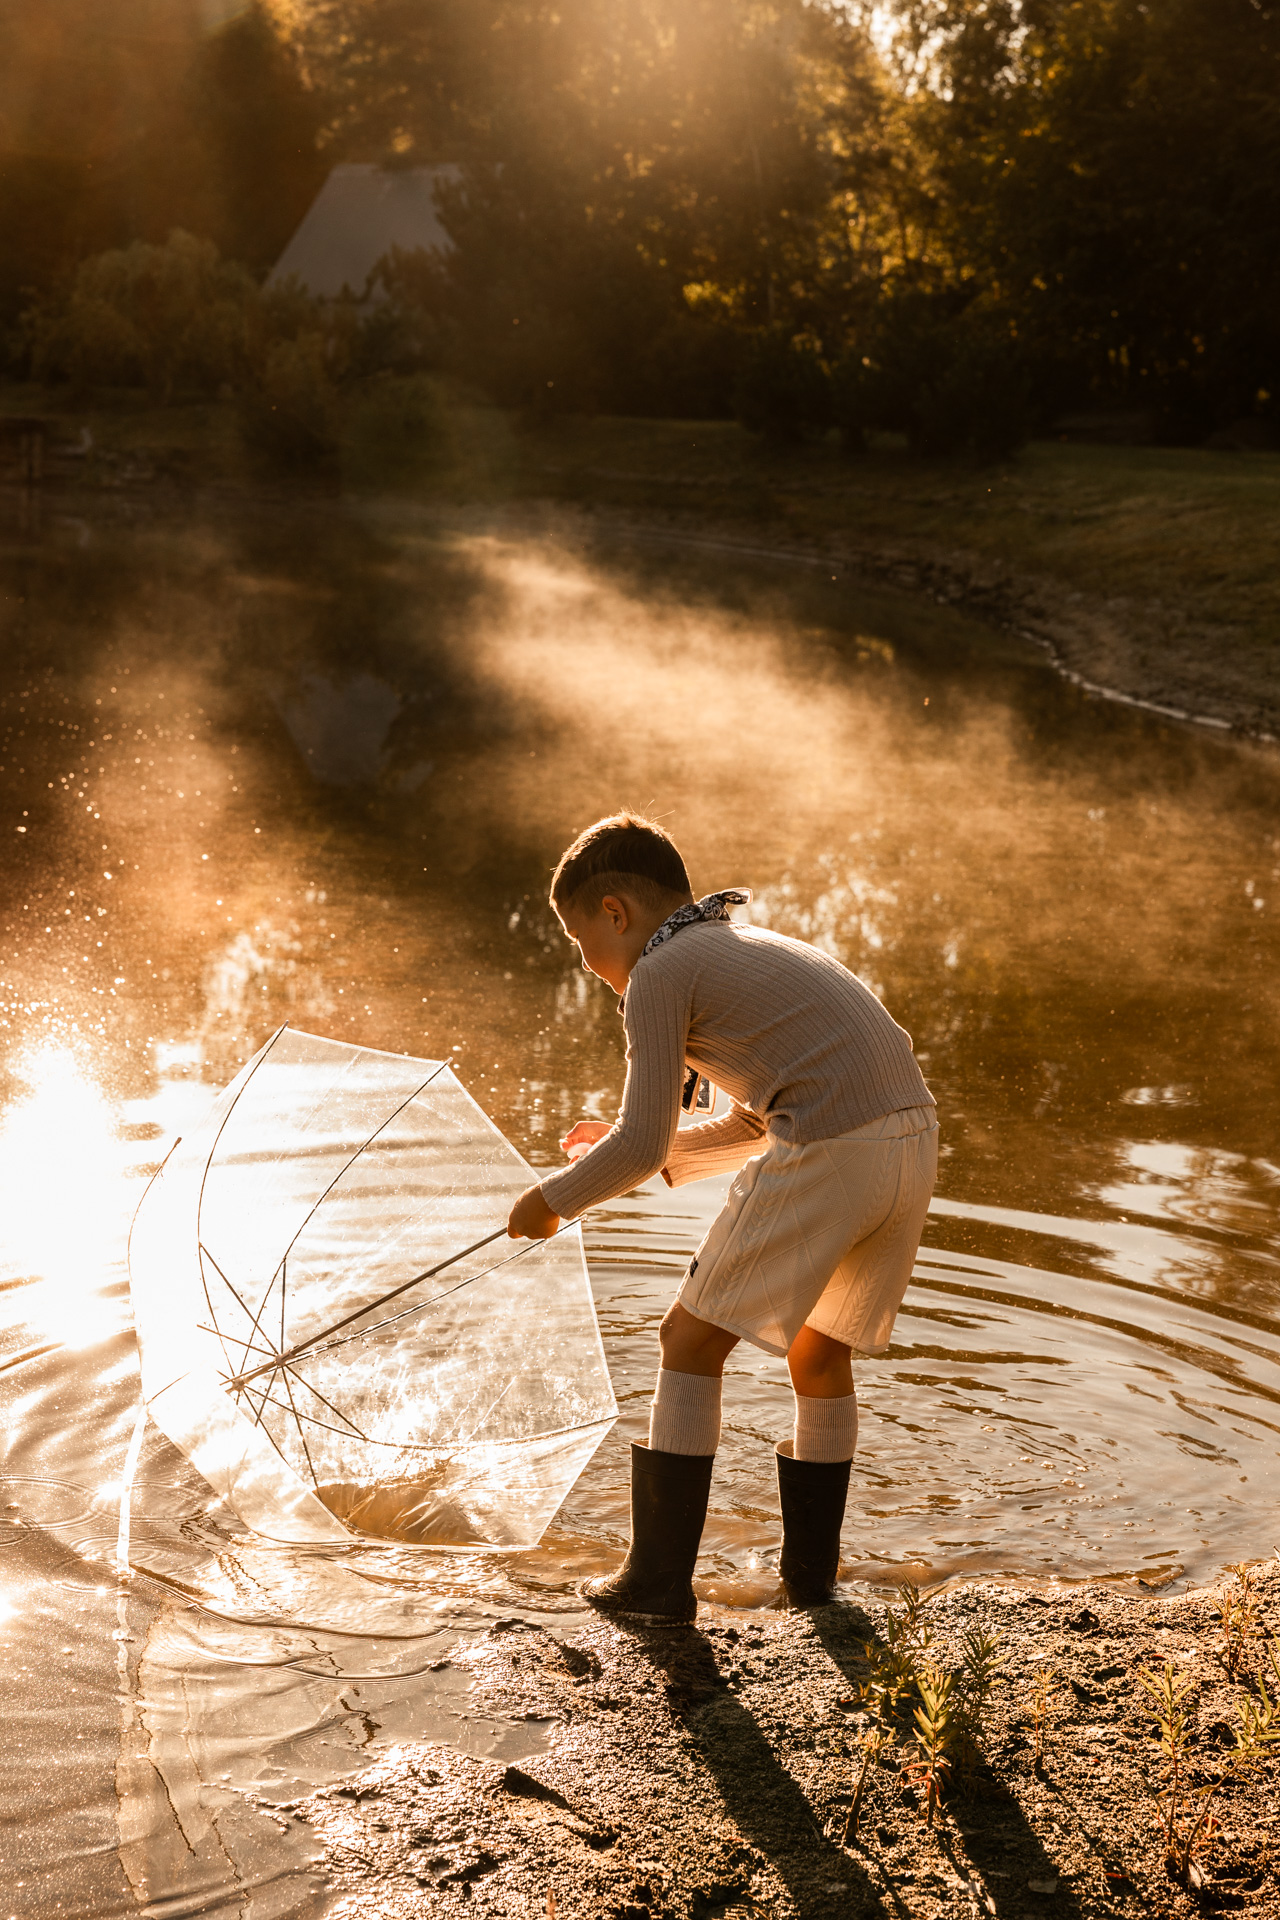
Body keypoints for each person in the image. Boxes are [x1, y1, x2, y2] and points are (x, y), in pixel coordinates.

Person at [507, 813, 937, 1621]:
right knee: (816, 1353)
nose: (589, 964)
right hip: (909, 1142)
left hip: (836, 1146)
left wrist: (549, 1200)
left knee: (688, 1338)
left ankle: (657, 1585)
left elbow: (637, 1144)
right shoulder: (739, 945)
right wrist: (657, 1149)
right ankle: (812, 1582)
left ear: (615, 912)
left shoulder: (660, 973)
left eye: (578, 939)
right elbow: (748, 1120)